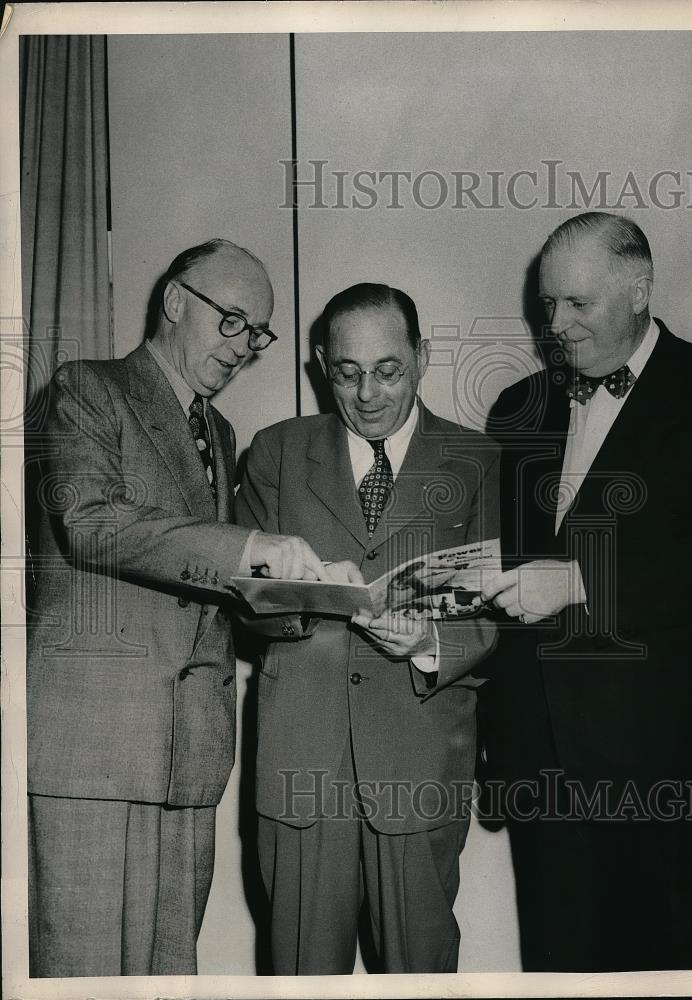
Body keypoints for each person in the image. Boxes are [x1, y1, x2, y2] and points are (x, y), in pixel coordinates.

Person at [26, 239, 329, 977]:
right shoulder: (85, 389)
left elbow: (208, 579)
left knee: (168, 978)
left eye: (257, 334)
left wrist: (310, 597)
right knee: (84, 976)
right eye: (232, 321)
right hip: (94, 747)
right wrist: (251, 547)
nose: (244, 347)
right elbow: (91, 523)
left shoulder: (220, 435)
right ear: (174, 301)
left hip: (188, 758)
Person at [481, 212, 692, 972]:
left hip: (679, 768)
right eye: (548, 305)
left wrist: (579, 579)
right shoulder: (517, 409)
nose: (556, 325)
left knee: (688, 973)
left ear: (640, 290)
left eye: (578, 304)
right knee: (561, 976)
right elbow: (510, 573)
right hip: (547, 772)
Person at [236, 282, 499, 974]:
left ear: (422, 355)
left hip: (419, 761)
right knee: (300, 974)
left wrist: (431, 643)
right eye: (346, 373)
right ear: (322, 364)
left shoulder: (479, 462)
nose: (368, 393)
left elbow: (501, 616)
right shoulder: (276, 452)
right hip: (303, 763)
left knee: (421, 972)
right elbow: (240, 607)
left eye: (388, 370)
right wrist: (303, 596)